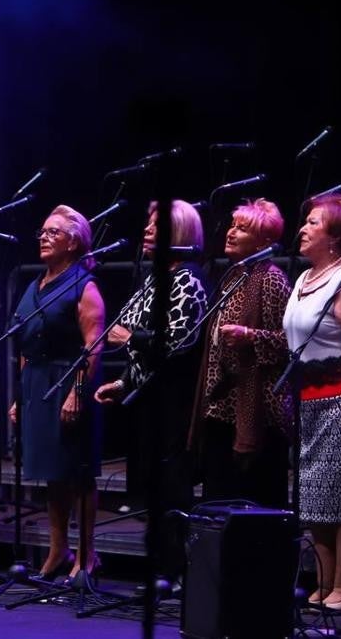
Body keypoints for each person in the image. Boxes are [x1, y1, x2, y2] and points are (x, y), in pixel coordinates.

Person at [94, 200, 207, 583]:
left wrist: (133, 338)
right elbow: (125, 334)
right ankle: (161, 568)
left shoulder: (187, 280)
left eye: (156, 226)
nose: (146, 230)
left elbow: (179, 344)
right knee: (151, 487)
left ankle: (178, 571)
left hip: (174, 398)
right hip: (147, 396)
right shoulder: (155, 278)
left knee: (173, 486)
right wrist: (123, 382)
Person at [281, 193, 341, 613]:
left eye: (314, 223)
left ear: (336, 237)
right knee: (316, 496)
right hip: (309, 400)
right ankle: (323, 583)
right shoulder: (305, 279)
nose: (302, 228)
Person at [9, 205, 105, 582]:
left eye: (54, 233)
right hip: (36, 384)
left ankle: (87, 554)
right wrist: (19, 395)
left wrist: (77, 393)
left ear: (75, 242)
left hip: (67, 379)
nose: (45, 238)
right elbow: (24, 345)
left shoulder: (85, 284)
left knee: (76, 472)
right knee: (51, 474)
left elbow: (94, 344)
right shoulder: (36, 285)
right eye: (43, 232)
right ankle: (57, 549)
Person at [189, 199, 291, 508]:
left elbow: (288, 344)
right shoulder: (234, 276)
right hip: (222, 407)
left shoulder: (271, 279)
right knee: (218, 499)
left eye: (242, 229)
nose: (231, 233)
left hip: (256, 411)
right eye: (233, 226)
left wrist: (251, 337)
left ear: (265, 242)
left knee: (253, 499)